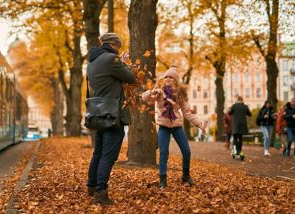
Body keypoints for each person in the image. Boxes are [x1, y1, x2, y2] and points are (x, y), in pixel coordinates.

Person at [86, 33, 136, 205]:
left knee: (98, 152)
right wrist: (122, 61)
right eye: (118, 47)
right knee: (108, 156)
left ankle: (91, 187)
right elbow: (131, 77)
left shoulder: (92, 61)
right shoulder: (111, 60)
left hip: (98, 112)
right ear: (114, 45)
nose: (118, 51)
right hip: (113, 114)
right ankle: (101, 193)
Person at [142, 66, 207, 189]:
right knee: (163, 153)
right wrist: (151, 92)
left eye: (170, 77)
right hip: (163, 126)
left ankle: (186, 176)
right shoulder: (159, 91)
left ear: (175, 80)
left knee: (186, 151)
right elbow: (145, 98)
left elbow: (187, 112)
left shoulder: (180, 94)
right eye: (166, 76)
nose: (167, 79)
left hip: (177, 126)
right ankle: (162, 180)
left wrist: (199, 124)